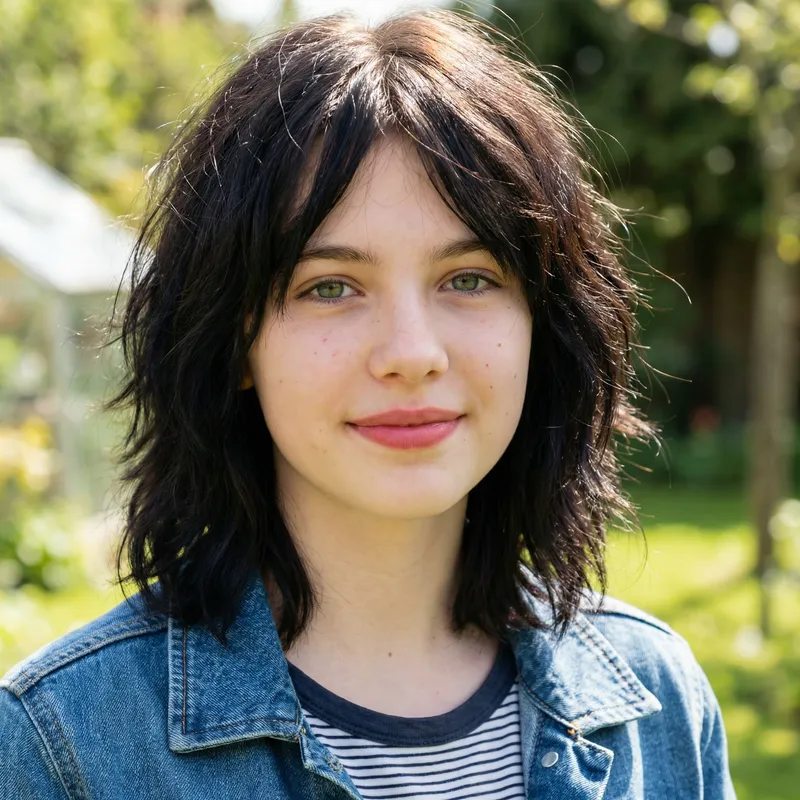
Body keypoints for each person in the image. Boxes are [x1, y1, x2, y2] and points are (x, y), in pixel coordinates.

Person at [0, 10, 735, 799]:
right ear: (235, 339)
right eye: (331, 287)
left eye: (469, 278)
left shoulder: (659, 705)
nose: (413, 353)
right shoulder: (67, 740)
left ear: (542, 323)